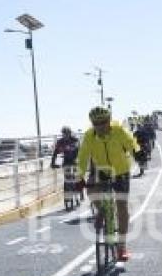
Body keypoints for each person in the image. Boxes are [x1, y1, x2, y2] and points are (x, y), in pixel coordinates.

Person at [75, 106, 139, 261]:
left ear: (109, 120)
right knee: (90, 190)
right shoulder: (89, 136)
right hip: (102, 170)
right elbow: (83, 157)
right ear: (92, 124)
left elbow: (131, 143)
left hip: (121, 170)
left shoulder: (118, 130)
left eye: (103, 122)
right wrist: (79, 177)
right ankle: (102, 211)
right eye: (96, 123)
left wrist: (138, 151)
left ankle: (122, 247)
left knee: (121, 206)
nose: (100, 126)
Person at [50, 126, 81, 199]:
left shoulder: (75, 140)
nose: (65, 135)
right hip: (66, 160)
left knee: (75, 176)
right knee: (67, 177)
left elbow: (78, 150)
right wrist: (52, 163)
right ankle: (67, 192)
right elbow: (55, 153)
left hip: (75, 159)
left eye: (66, 133)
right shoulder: (60, 141)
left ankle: (79, 190)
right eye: (64, 134)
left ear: (70, 133)